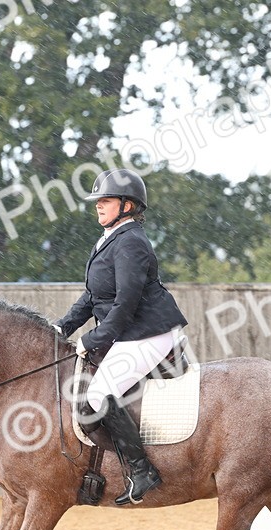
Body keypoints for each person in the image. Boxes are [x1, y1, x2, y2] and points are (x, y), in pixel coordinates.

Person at [54, 168, 188, 506]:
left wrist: (94, 338)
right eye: (98, 200)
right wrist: (63, 327)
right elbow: (93, 297)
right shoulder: (109, 239)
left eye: (106, 200)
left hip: (148, 333)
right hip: (129, 333)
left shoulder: (131, 242)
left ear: (127, 205)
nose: (98, 205)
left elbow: (125, 303)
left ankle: (142, 470)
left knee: (98, 394)